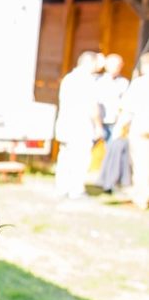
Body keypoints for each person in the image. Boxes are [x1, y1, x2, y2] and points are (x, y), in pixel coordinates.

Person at [53, 51, 103, 198]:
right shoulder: (87, 80)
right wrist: (98, 126)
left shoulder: (68, 78)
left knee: (65, 157)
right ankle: (76, 189)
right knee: (80, 159)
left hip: (65, 124)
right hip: (81, 126)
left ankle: (62, 187)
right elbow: (92, 107)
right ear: (90, 63)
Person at [116, 53, 149, 209]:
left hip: (141, 127)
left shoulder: (140, 84)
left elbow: (128, 108)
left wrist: (120, 127)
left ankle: (141, 197)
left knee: (141, 163)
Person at [97, 53, 131, 193]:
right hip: (98, 120)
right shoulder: (99, 81)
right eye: (114, 64)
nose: (117, 68)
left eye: (119, 65)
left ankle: (108, 184)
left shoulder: (123, 83)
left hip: (114, 122)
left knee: (112, 153)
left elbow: (126, 104)